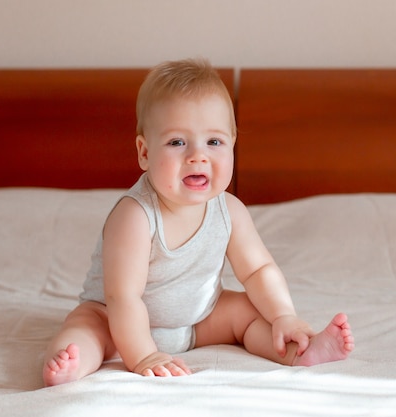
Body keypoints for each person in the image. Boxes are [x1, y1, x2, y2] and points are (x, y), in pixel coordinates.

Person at [43, 58, 354, 385]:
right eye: (177, 142)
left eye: (214, 142)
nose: (197, 156)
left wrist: (283, 315)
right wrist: (143, 354)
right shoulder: (135, 216)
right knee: (87, 328)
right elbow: (124, 297)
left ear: (233, 145)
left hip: (199, 320)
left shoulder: (229, 211)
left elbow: (259, 270)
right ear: (144, 152)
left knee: (249, 314)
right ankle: (70, 365)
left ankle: (301, 351)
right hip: (117, 322)